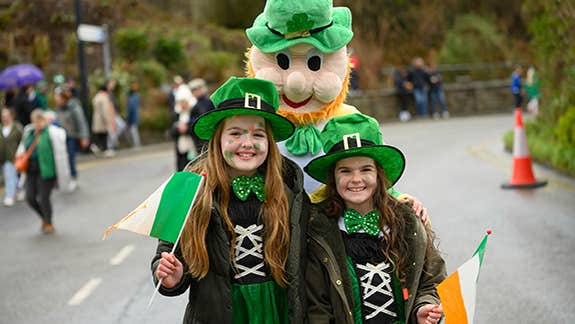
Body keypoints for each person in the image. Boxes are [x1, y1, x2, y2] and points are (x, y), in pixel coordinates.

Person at [151, 77, 308, 323]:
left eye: (258, 134)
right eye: (235, 133)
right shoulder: (188, 190)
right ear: (217, 138)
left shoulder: (290, 192)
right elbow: (167, 256)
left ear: (270, 142)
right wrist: (173, 277)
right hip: (217, 313)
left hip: (277, 311)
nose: (247, 143)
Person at [304, 113, 446, 324]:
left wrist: (422, 308)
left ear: (379, 174)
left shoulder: (408, 223)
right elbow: (318, 307)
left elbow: (430, 283)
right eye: (345, 170)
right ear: (333, 177)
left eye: (366, 169)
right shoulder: (320, 232)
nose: (356, 179)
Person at [18, 109, 70, 233]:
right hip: (31, 170)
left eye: (40, 120)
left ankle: (49, 222)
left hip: (46, 171)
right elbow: (22, 149)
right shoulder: (29, 133)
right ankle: (43, 217)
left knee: (43, 197)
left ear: (44, 120)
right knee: (29, 197)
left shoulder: (51, 133)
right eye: (35, 121)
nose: (38, 123)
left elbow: (61, 149)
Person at [54, 86, 90, 191]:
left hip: (71, 136)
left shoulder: (74, 107)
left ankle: (73, 177)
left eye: (58, 97)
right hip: (60, 137)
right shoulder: (58, 109)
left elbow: (81, 122)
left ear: (63, 97)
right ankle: (64, 179)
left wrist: (84, 137)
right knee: (61, 159)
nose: (56, 99)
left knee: (70, 157)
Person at [170, 85, 197, 171]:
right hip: (181, 150)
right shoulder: (177, 114)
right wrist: (178, 129)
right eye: (181, 102)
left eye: (184, 102)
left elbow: (197, 128)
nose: (182, 104)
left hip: (193, 147)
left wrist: (186, 129)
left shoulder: (195, 111)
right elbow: (171, 132)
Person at [1, 107, 23, 206]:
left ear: (11, 116)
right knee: (12, 175)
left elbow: (23, 141)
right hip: (3, 157)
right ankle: (19, 190)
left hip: (15, 156)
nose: (4, 118)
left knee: (9, 176)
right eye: (3, 116)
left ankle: (9, 196)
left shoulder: (17, 127)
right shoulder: (1, 128)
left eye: (6, 116)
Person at [188, 78, 214, 154]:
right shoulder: (195, 106)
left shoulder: (210, 102)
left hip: (209, 137)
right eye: (193, 90)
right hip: (199, 139)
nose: (195, 92)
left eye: (197, 89)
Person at [91, 85, 116, 157]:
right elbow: (105, 111)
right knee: (104, 136)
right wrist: (108, 121)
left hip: (96, 120)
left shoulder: (96, 97)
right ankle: (105, 150)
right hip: (102, 121)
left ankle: (96, 148)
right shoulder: (104, 98)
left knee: (100, 136)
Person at [126, 81, 141, 148]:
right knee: (133, 131)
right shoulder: (131, 95)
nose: (134, 87)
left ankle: (136, 144)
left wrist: (128, 116)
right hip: (132, 115)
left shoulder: (135, 96)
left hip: (133, 116)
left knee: (134, 130)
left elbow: (132, 107)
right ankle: (135, 144)